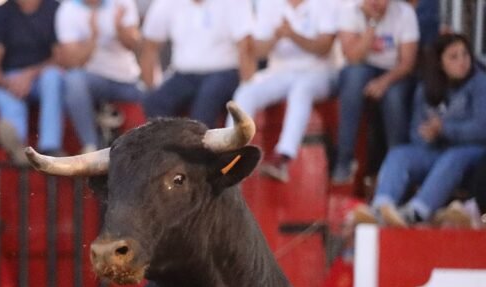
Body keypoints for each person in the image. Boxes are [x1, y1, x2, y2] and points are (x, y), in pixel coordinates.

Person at [350, 33, 486, 226]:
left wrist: (445, 129)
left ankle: (417, 211)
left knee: (453, 157)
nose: (462, 61)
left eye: (465, 55)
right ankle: (380, 208)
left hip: (471, 153)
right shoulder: (427, 87)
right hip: (436, 149)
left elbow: (481, 129)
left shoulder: (480, 83)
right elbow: (416, 132)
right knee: (400, 154)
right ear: (440, 62)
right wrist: (428, 134)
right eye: (453, 57)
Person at [233, 0, 339, 183]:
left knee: (302, 90)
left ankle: (283, 156)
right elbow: (258, 50)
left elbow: (325, 47)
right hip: (279, 71)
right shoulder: (269, 4)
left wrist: (292, 35)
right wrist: (276, 36)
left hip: (317, 71)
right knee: (246, 91)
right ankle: (232, 153)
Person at [331, 0, 419, 185]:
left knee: (394, 97)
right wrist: (372, 24)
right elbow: (353, 57)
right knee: (353, 78)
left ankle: (398, 167)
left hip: (395, 72)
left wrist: (384, 82)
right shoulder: (349, 10)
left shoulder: (405, 13)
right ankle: (344, 160)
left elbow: (407, 63)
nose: (376, 2)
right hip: (362, 68)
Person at [139, 0, 254, 128]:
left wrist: (246, 89)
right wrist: (151, 86)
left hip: (224, 73)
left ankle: (203, 141)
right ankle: (170, 140)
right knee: (155, 102)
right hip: (183, 74)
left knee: (204, 105)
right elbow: (149, 46)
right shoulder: (167, 3)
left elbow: (245, 47)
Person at [57, 0, 144, 154]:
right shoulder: (67, 9)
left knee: (151, 97)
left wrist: (119, 29)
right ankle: (90, 147)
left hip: (127, 80)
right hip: (93, 82)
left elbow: (135, 45)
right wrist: (93, 38)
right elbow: (72, 62)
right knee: (72, 80)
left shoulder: (122, 3)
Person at [0, 0, 65, 163]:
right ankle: (19, 149)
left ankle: (50, 147)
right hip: (10, 78)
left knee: (53, 77)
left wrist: (29, 75)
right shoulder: (2, 13)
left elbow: (61, 58)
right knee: (6, 97)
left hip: (42, 74)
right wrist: (9, 83)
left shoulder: (54, 9)